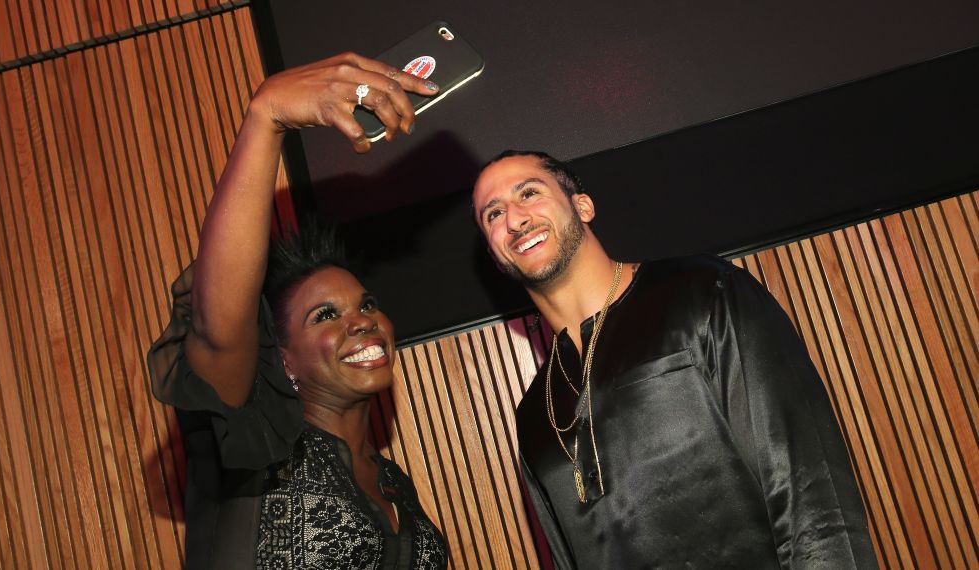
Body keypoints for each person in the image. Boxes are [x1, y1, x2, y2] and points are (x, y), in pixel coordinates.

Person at [471, 150, 878, 569]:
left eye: (530, 193)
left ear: (582, 206)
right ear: (495, 255)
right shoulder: (535, 416)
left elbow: (813, 496)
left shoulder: (704, 294)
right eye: (493, 214)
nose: (515, 220)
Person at [147, 53, 448, 569]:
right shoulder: (254, 449)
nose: (361, 320)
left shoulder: (393, 482)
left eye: (366, 304)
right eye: (324, 315)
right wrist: (266, 118)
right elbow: (220, 329)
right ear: (280, 359)